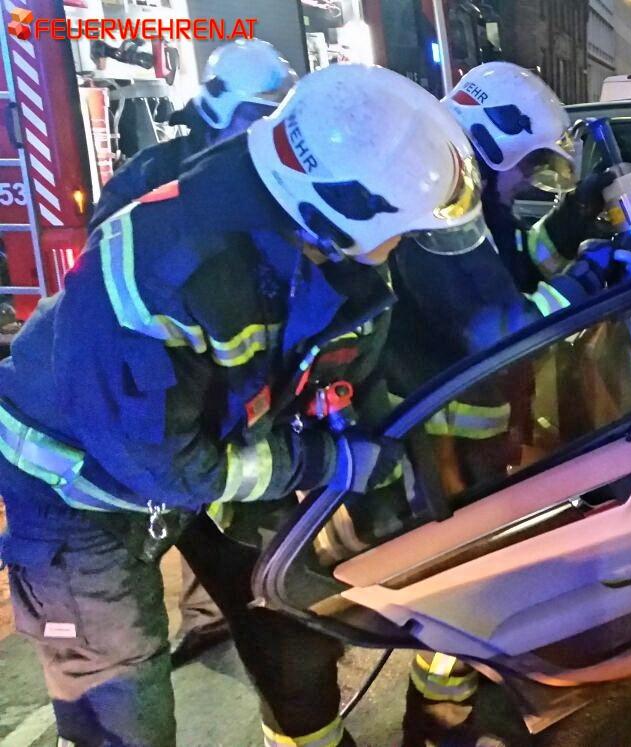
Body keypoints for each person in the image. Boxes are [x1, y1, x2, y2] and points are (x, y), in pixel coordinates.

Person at [0, 63, 480, 747]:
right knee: (120, 704)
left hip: (177, 459)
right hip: (77, 496)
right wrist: (324, 461)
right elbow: (167, 465)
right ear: (332, 211)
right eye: (399, 228)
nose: (401, 244)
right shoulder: (173, 277)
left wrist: (379, 470)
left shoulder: (302, 238)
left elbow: (331, 364)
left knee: (286, 625)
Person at [384, 61, 614, 747]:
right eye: (532, 166)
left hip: (471, 432)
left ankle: (456, 692)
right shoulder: (438, 220)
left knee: (476, 571)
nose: (534, 182)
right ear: (490, 142)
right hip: (440, 440)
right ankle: (439, 720)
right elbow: (505, 330)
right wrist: (588, 284)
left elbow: (517, 263)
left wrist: (574, 218)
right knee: (460, 577)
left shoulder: (473, 201)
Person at [90, 37, 298, 668]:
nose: (266, 128)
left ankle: (257, 613)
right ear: (217, 107)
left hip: (246, 377)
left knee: (251, 507)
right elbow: (104, 273)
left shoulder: (265, 175)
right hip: (172, 377)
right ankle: (208, 618)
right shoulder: (154, 175)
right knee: (184, 497)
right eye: (256, 113)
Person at [91, 38, 297, 229]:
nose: (269, 128)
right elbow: (104, 245)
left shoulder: (281, 178)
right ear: (218, 111)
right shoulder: (147, 176)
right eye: (260, 114)